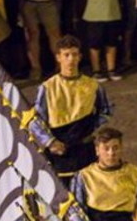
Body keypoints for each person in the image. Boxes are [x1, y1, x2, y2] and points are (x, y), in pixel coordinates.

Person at [28, 33, 111, 178]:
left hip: (86, 150)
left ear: (80, 56)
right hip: (60, 152)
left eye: (74, 54)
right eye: (66, 55)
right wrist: (50, 142)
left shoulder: (92, 85)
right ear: (58, 57)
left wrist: (92, 128)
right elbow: (35, 120)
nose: (71, 59)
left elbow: (106, 110)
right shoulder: (48, 88)